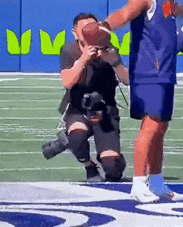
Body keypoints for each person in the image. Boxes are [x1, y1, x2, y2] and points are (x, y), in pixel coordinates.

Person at [97, 0, 183, 203]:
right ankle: (138, 183)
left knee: (161, 127)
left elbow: (173, 9)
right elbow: (124, 14)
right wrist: (104, 27)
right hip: (148, 71)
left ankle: (156, 181)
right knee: (151, 126)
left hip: (164, 71)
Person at [42, 13, 129, 183]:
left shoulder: (109, 49)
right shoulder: (70, 50)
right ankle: (89, 165)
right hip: (78, 107)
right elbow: (67, 82)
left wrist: (115, 62)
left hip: (105, 110)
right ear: (75, 33)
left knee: (112, 170)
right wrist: (83, 60)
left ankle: (114, 161)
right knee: (77, 136)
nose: (90, 32)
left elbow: (127, 80)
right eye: (85, 29)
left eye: (94, 27)